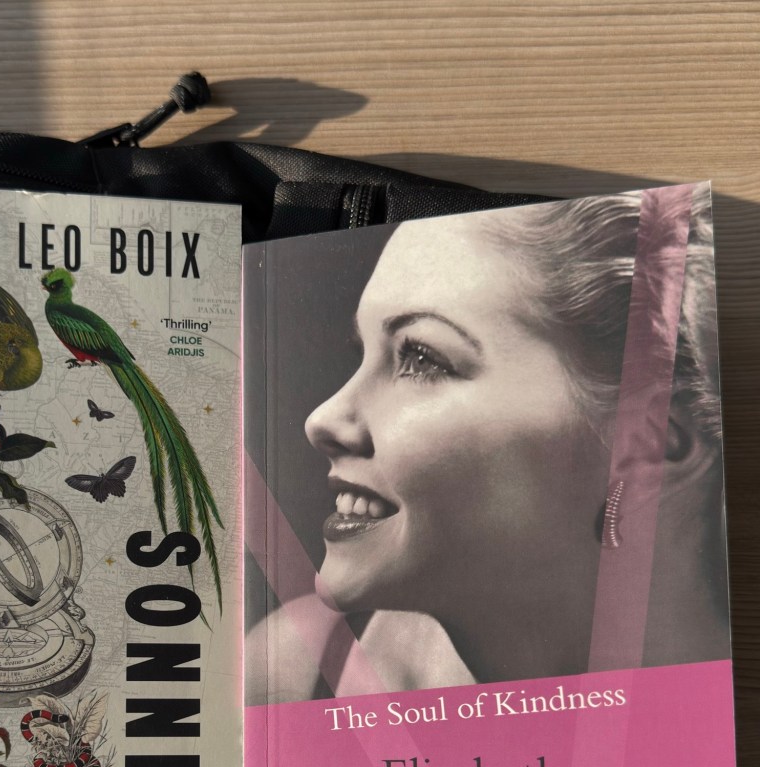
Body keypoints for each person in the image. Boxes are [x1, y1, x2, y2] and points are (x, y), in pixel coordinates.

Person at [246, 186, 728, 703]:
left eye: (423, 358)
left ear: (646, 446)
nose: (322, 421)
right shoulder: (292, 669)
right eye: (363, 353)